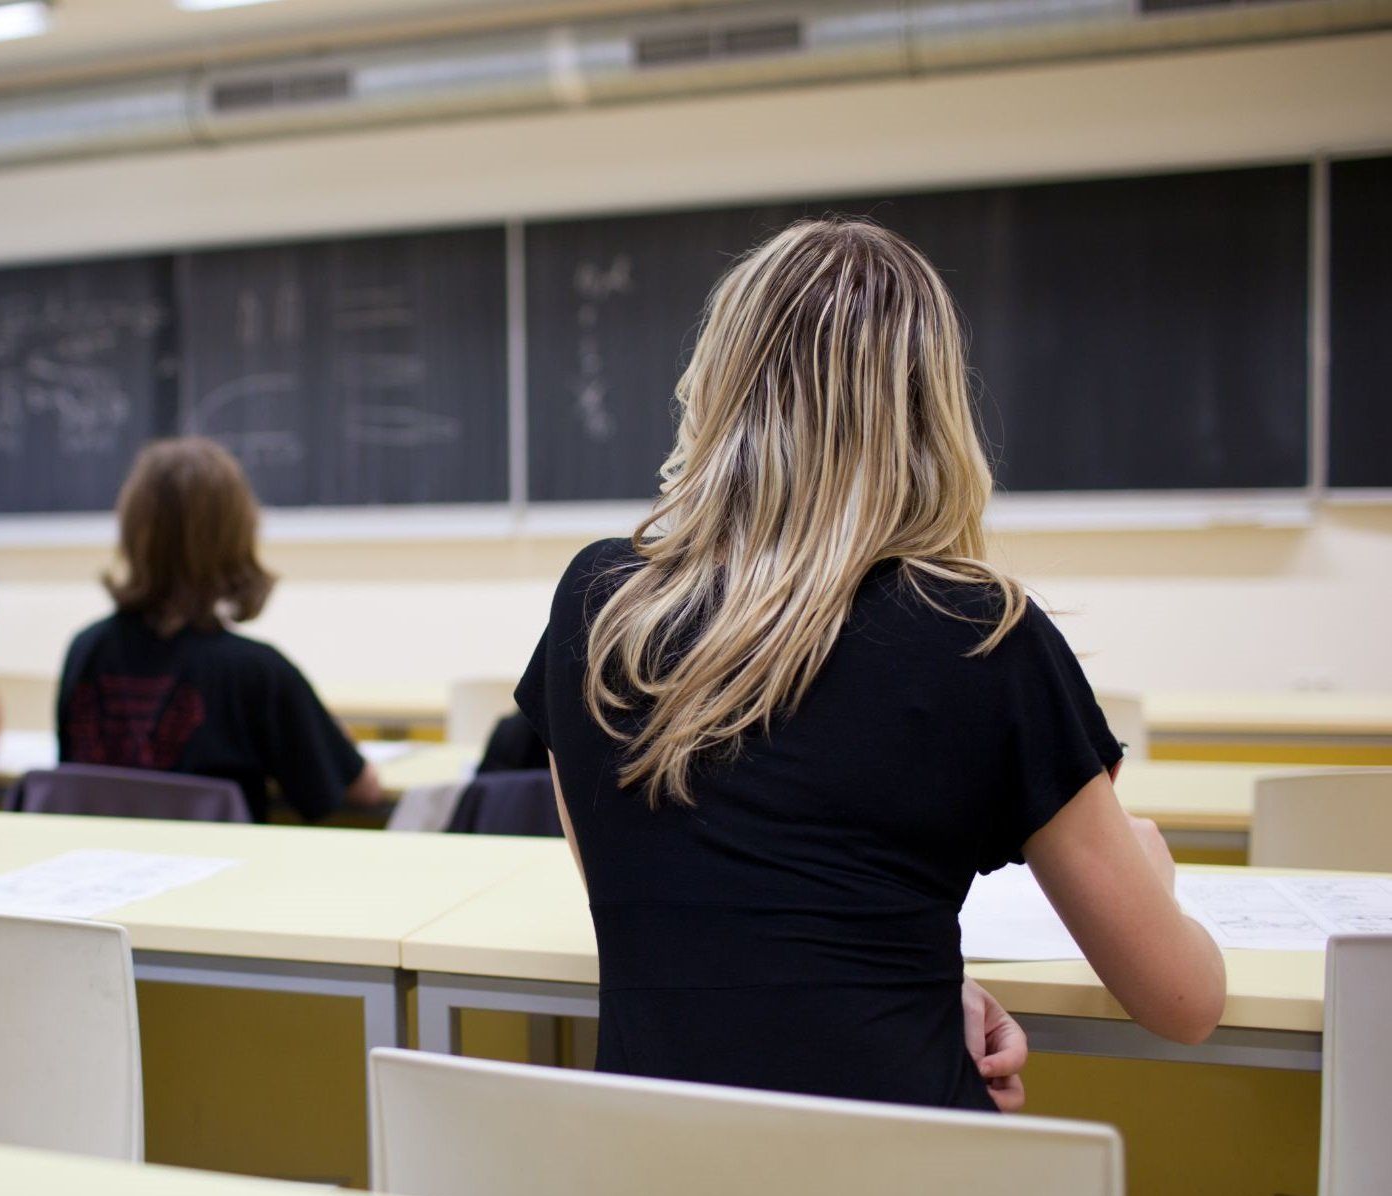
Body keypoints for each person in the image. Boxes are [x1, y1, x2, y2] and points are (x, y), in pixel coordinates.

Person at [516, 220, 1224, 1111]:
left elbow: (683, 922)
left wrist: (908, 989)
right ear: (928, 414)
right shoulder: (982, 634)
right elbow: (1186, 1004)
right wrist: (1152, 879)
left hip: (651, 1195)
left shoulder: (601, 607)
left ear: (717, 385)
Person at [58, 437, 382, 823]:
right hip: (226, 877)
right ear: (238, 536)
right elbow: (362, 790)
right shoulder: (258, 673)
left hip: (100, 869)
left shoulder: (86, 650)